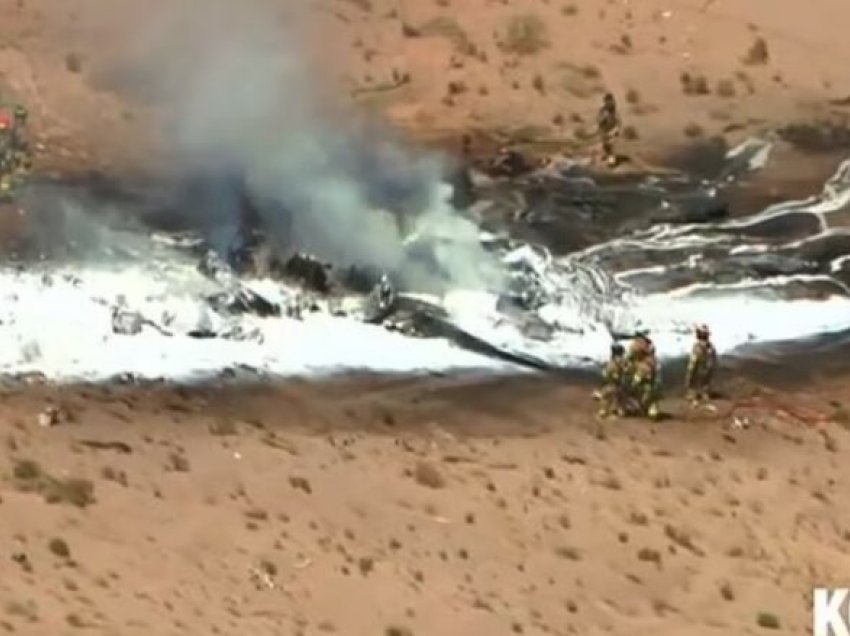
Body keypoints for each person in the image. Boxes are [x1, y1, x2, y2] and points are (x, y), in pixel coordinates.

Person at [685, 324, 717, 403]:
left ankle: (703, 392)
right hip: (700, 360)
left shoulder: (709, 346)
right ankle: (693, 392)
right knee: (693, 375)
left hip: (705, 361)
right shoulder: (699, 345)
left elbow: (712, 356)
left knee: (705, 376)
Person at [597, 342, 628, 418]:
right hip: (620, 386)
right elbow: (627, 372)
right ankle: (620, 410)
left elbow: (605, 375)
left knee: (606, 397)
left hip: (611, 385)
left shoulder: (610, 363)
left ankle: (604, 411)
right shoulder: (623, 362)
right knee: (620, 398)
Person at [596, 92, 621, 168]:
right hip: (604, 131)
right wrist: (603, 119)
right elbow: (599, 120)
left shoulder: (614, 111)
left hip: (613, 130)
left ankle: (611, 163)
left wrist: (614, 131)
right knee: (605, 146)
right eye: (607, 101)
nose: (609, 103)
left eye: (611, 101)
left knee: (611, 146)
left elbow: (618, 122)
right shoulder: (602, 110)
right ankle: (606, 160)